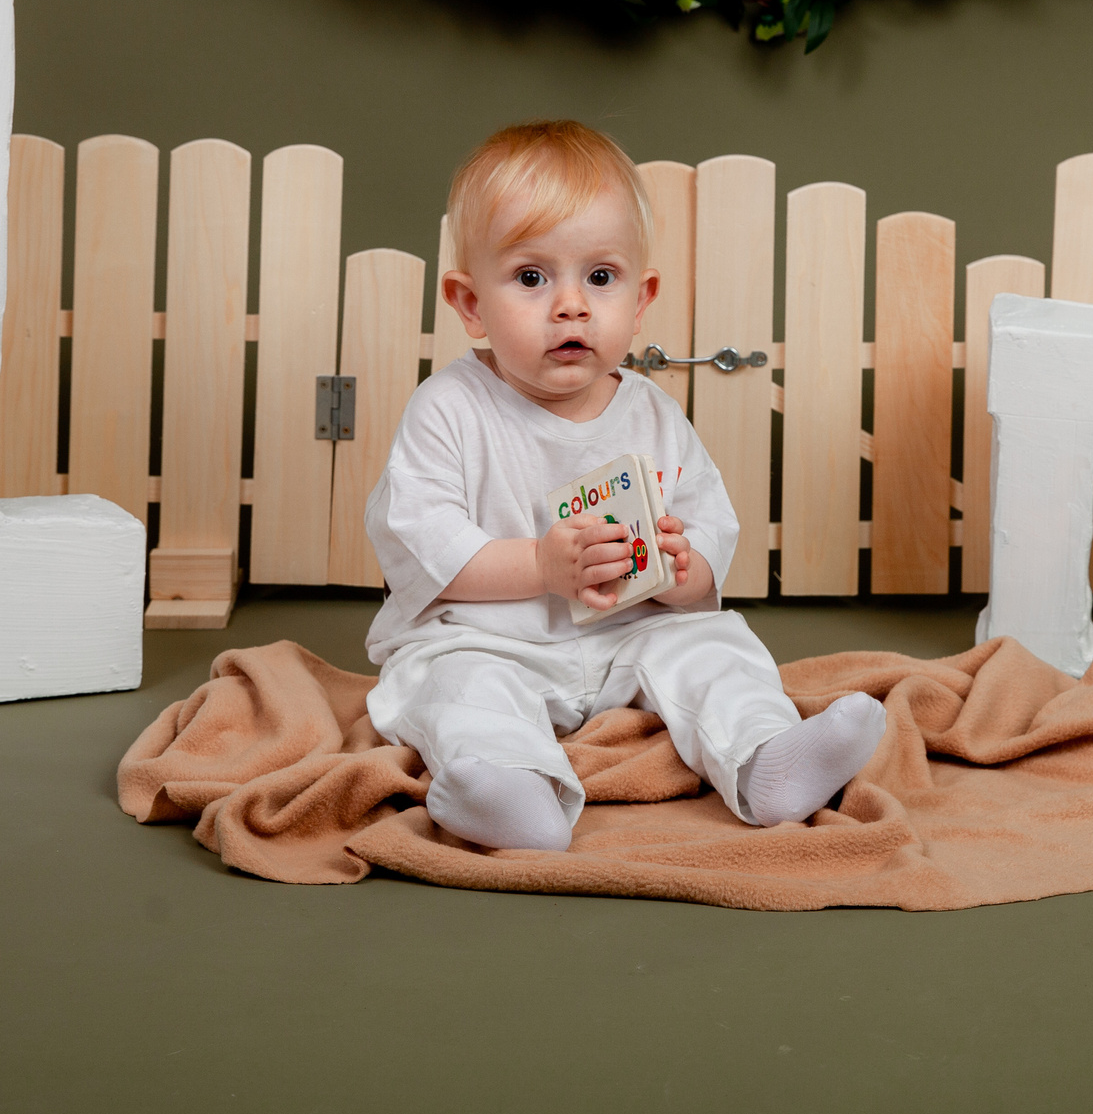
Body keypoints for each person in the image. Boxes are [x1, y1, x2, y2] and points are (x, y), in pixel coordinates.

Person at [363, 120, 887, 851]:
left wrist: (681, 567)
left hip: (627, 635)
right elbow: (426, 543)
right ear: (470, 302)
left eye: (599, 277)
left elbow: (707, 525)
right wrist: (544, 567)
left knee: (714, 646)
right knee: (460, 687)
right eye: (531, 277)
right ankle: (509, 792)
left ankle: (769, 759)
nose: (571, 305)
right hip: (490, 637)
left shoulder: (652, 412)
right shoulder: (449, 408)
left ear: (640, 298)